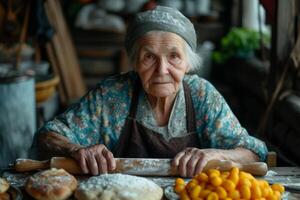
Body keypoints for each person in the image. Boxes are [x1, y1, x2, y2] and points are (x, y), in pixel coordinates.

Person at [36, 6, 268, 178]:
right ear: (135, 62)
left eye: (174, 56)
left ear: (188, 63)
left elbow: (254, 152)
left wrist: (217, 155)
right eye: (149, 57)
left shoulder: (202, 96)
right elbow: (48, 136)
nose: (162, 70)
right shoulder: (113, 95)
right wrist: (76, 150)